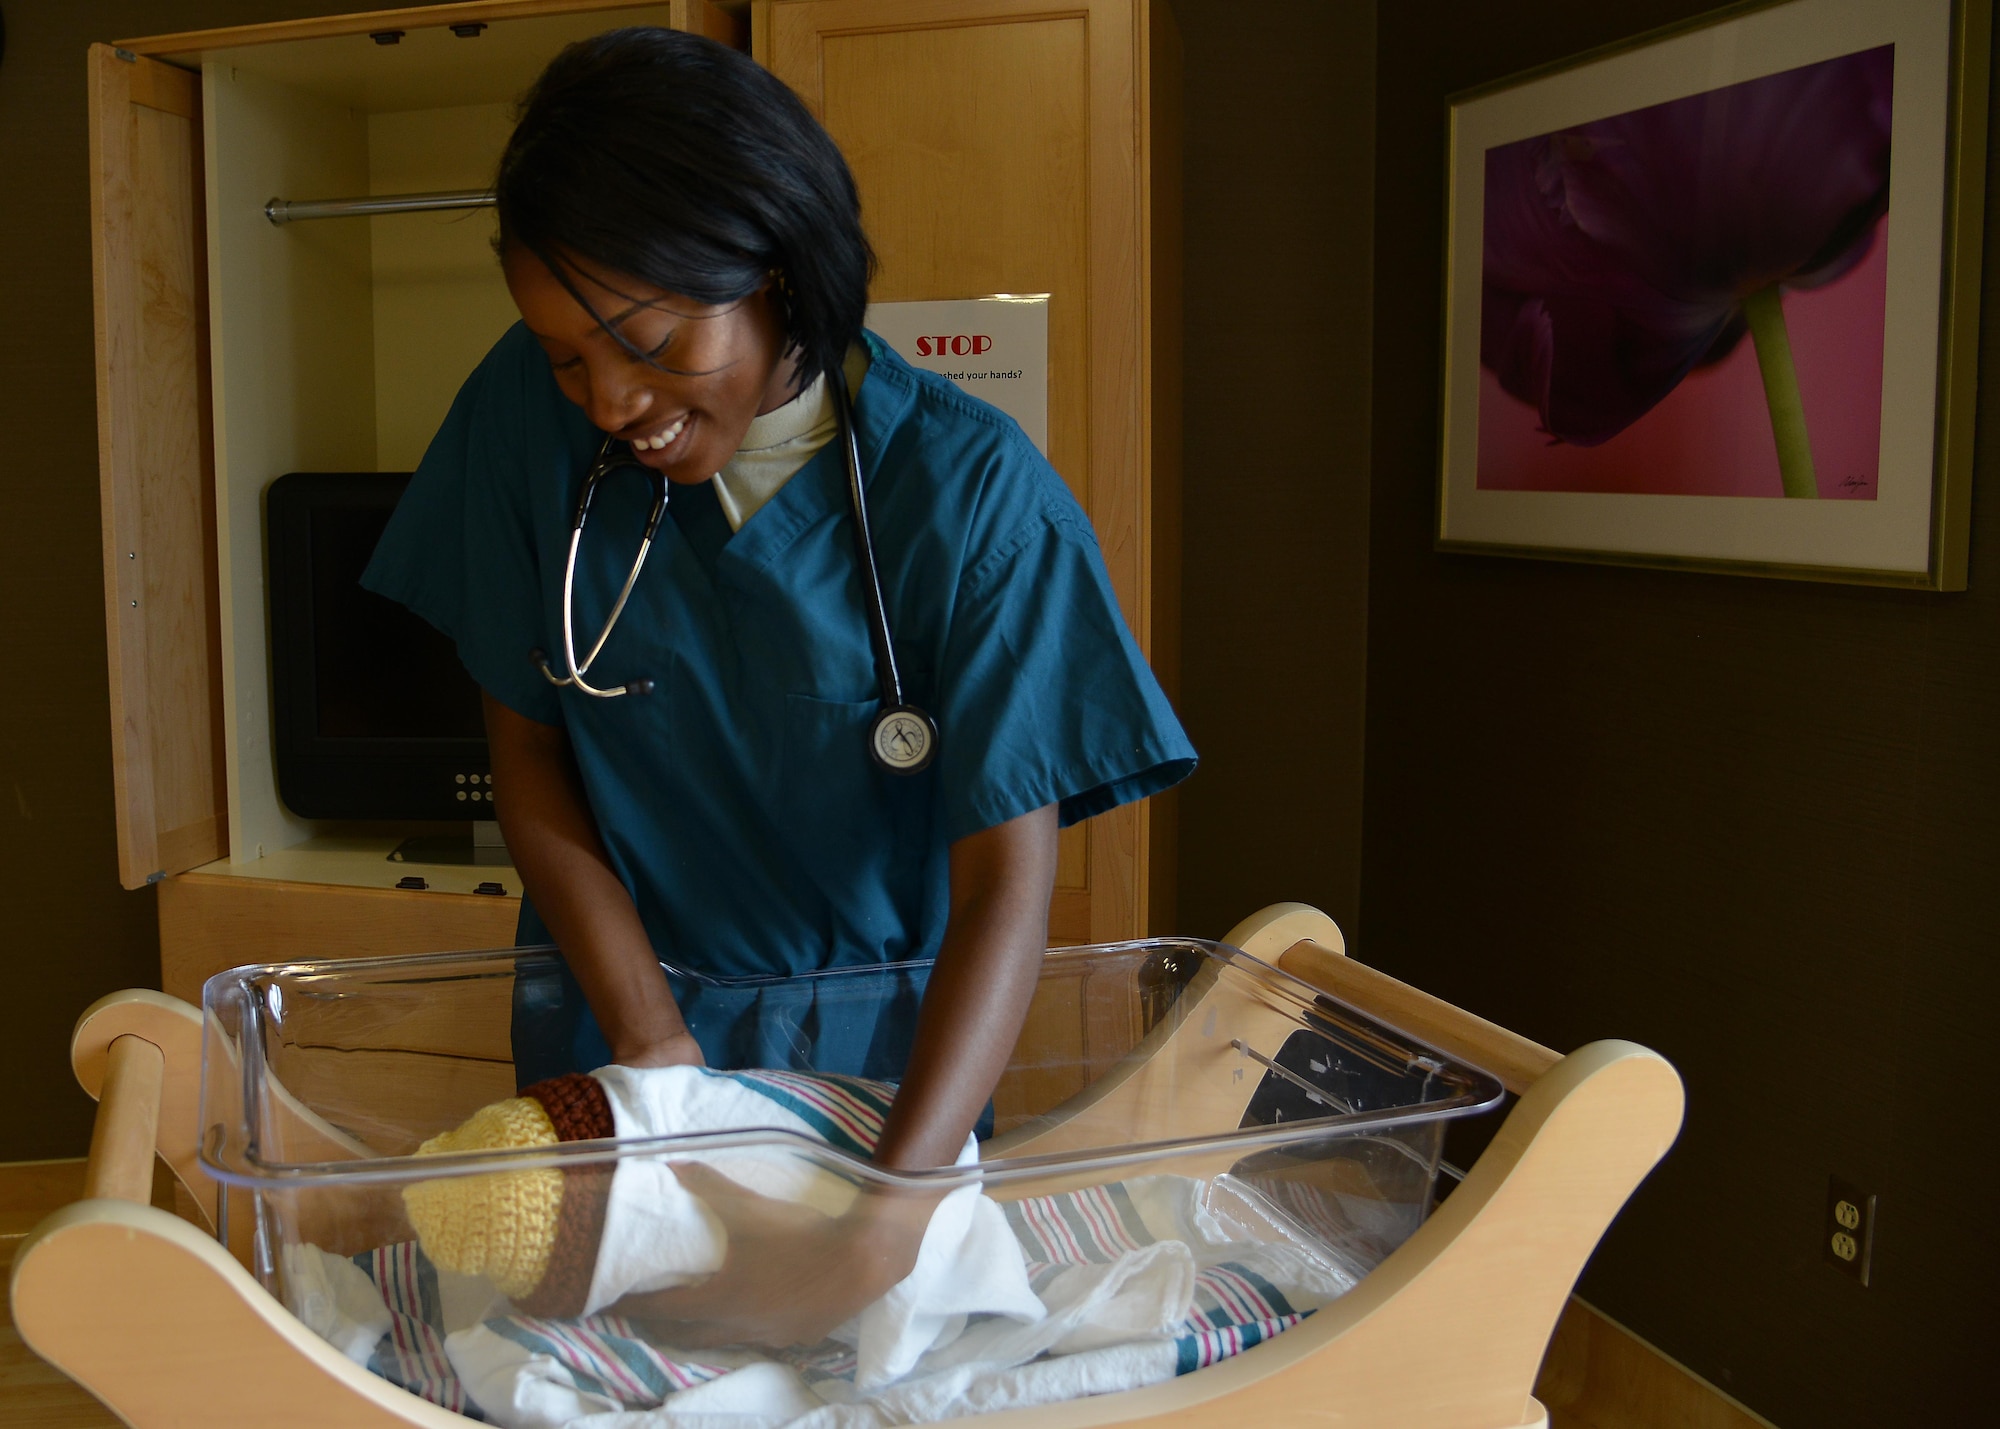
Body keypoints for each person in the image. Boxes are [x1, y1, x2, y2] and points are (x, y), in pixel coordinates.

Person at [362, 26, 1194, 1341]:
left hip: (883, 1079)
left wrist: (889, 1215)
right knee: (599, 1365)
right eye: (568, 354)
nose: (608, 398)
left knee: (854, 1369)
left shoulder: (972, 501)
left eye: (645, 340)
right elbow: (530, 760)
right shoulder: (519, 422)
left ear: (778, 273)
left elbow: (1003, 889)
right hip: (614, 1034)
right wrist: (653, 1057)